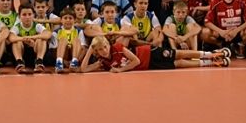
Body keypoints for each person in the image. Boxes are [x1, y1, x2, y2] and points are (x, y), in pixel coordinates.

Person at [80, 35, 230, 73]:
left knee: (179, 54)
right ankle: (212, 62)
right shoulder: (103, 62)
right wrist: (90, 51)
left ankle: (210, 54)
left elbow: (136, 61)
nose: (104, 50)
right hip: (150, 66)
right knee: (178, 64)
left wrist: (121, 69)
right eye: (100, 49)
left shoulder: (118, 48)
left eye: (105, 46)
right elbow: (83, 69)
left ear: (108, 44)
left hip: (149, 54)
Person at [8, 4, 52, 74]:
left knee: (41, 39)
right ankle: (19, 63)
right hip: (23, 54)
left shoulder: (37, 25)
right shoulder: (17, 27)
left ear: (33, 15)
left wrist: (32, 38)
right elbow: (11, 38)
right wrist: (24, 39)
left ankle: (39, 62)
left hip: (34, 54)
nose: (27, 17)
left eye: (29, 14)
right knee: (16, 42)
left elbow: (48, 34)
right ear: (19, 16)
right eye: (24, 15)